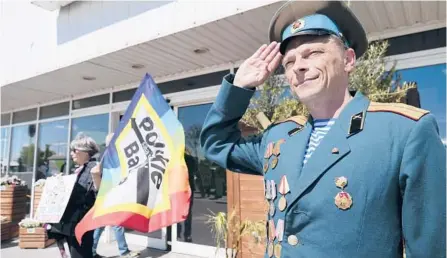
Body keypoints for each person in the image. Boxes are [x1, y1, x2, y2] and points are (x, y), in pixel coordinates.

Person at [199, 1, 446, 257]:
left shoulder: (404, 131)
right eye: (289, 62)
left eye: (313, 53)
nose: (298, 66)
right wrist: (239, 87)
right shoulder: (278, 136)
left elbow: (428, 248)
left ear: (348, 60)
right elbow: (216, 144)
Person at [46, 133, 101, 258]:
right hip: (73, 223)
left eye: (74, 150)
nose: (71, 153)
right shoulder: (79, 169)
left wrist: (97, 177)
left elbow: (98, 196)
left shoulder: (94, 169)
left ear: (85, 152)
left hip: (81, 223)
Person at [92, 133, 140, 258]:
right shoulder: (111, 155)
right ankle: (124, 252)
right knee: (116, 223)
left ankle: (91, 251)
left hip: (104, 194)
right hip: (109, 193)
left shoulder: (104, 155)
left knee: (100, 224)